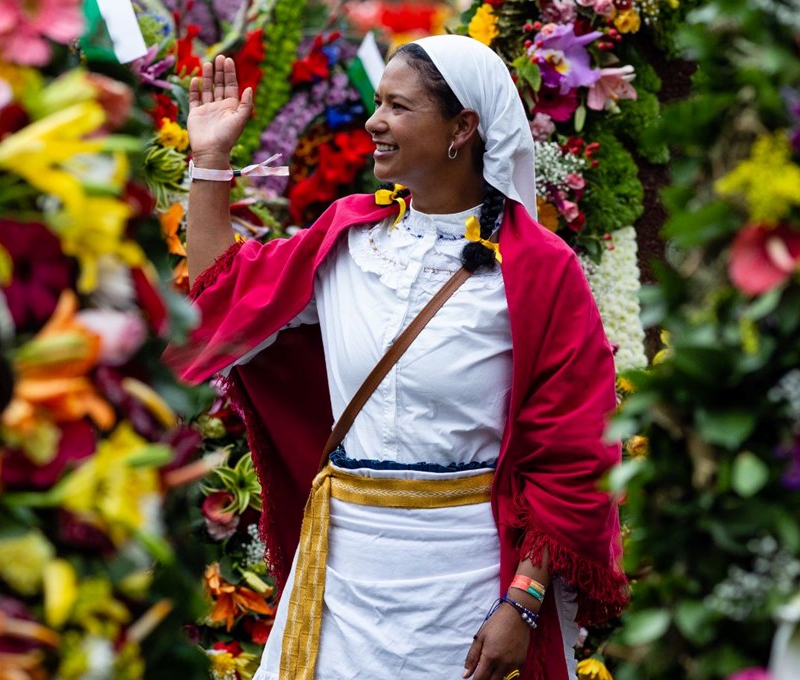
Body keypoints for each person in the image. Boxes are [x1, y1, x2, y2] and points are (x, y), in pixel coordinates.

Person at [170, 35, 628, 680]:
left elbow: (575, 451)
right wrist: (210, 159)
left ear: (462, 128)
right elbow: (221, 298)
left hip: (466, 587)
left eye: (398, 106)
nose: (373, 121)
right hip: (338, 579)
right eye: (377, 102)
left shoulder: (539, 269)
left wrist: (523, 603)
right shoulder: (346, 237)